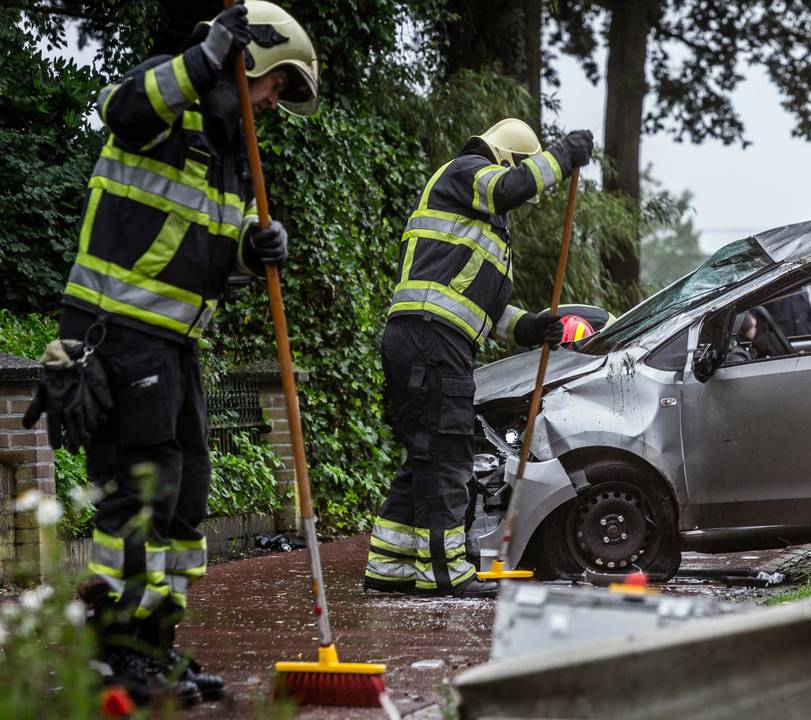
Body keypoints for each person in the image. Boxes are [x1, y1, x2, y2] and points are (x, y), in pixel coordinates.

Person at [24, 0, 319, 706]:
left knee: (183, 500)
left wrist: (252, 249)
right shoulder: (164, 97)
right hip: (118, 335)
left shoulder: (225, 152)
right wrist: (209, 50)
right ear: (250, 60)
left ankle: (154, 646)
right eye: (275, 84)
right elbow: (123, 108)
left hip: (173, 343)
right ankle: (115, 652)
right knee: (139, 499)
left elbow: (209, 255)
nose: (274, 100)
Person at [364, 119, 593, 599]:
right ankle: (444, 572)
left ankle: (390, 564)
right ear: (509, 157)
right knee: (448, 454)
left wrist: (531, 327)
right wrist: (565, 155)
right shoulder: (467, 172)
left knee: (427, 454)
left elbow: (487, 309)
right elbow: (512, 187)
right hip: (432, 339)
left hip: (425, 338)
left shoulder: (478, 220)